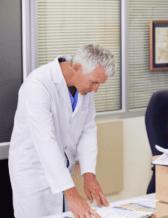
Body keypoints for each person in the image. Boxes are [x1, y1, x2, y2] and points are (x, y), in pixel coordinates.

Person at [9, 45, 115, 218]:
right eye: (94, 82)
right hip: (34, 174)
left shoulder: (84, 87)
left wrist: (89, 174)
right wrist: (72, 194)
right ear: (78, 68)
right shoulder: (38, 85)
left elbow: (87, 129)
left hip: (62, 173)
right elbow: (45, 141)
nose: (95, 89)